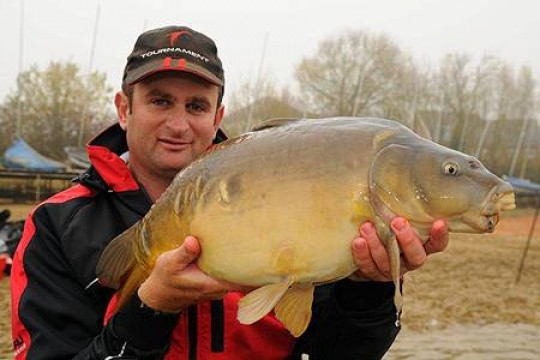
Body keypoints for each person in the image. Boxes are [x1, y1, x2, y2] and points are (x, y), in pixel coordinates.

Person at [10, 25, 449, 360]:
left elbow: (342, 352)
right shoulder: (57, 224)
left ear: (218, 114)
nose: (179, 125)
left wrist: (367, 289)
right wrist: (151, 308)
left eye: (196, 106)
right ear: (124, 109)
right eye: (160, 101)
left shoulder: (292, 198)